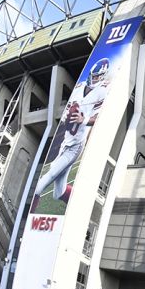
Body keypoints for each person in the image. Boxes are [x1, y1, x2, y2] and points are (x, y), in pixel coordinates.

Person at [32, 57, 112, 211]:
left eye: (96, 76)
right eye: (92, 75)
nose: (92, 78)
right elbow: (67, 117)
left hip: (76, 145)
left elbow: (99, 118)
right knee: (58, 193)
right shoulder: (79, 88)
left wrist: (83, 119)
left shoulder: (102, 91)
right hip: (66, 142)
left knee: (41, 183)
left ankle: (30, 223)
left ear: (101, 77)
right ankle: (82, 205)